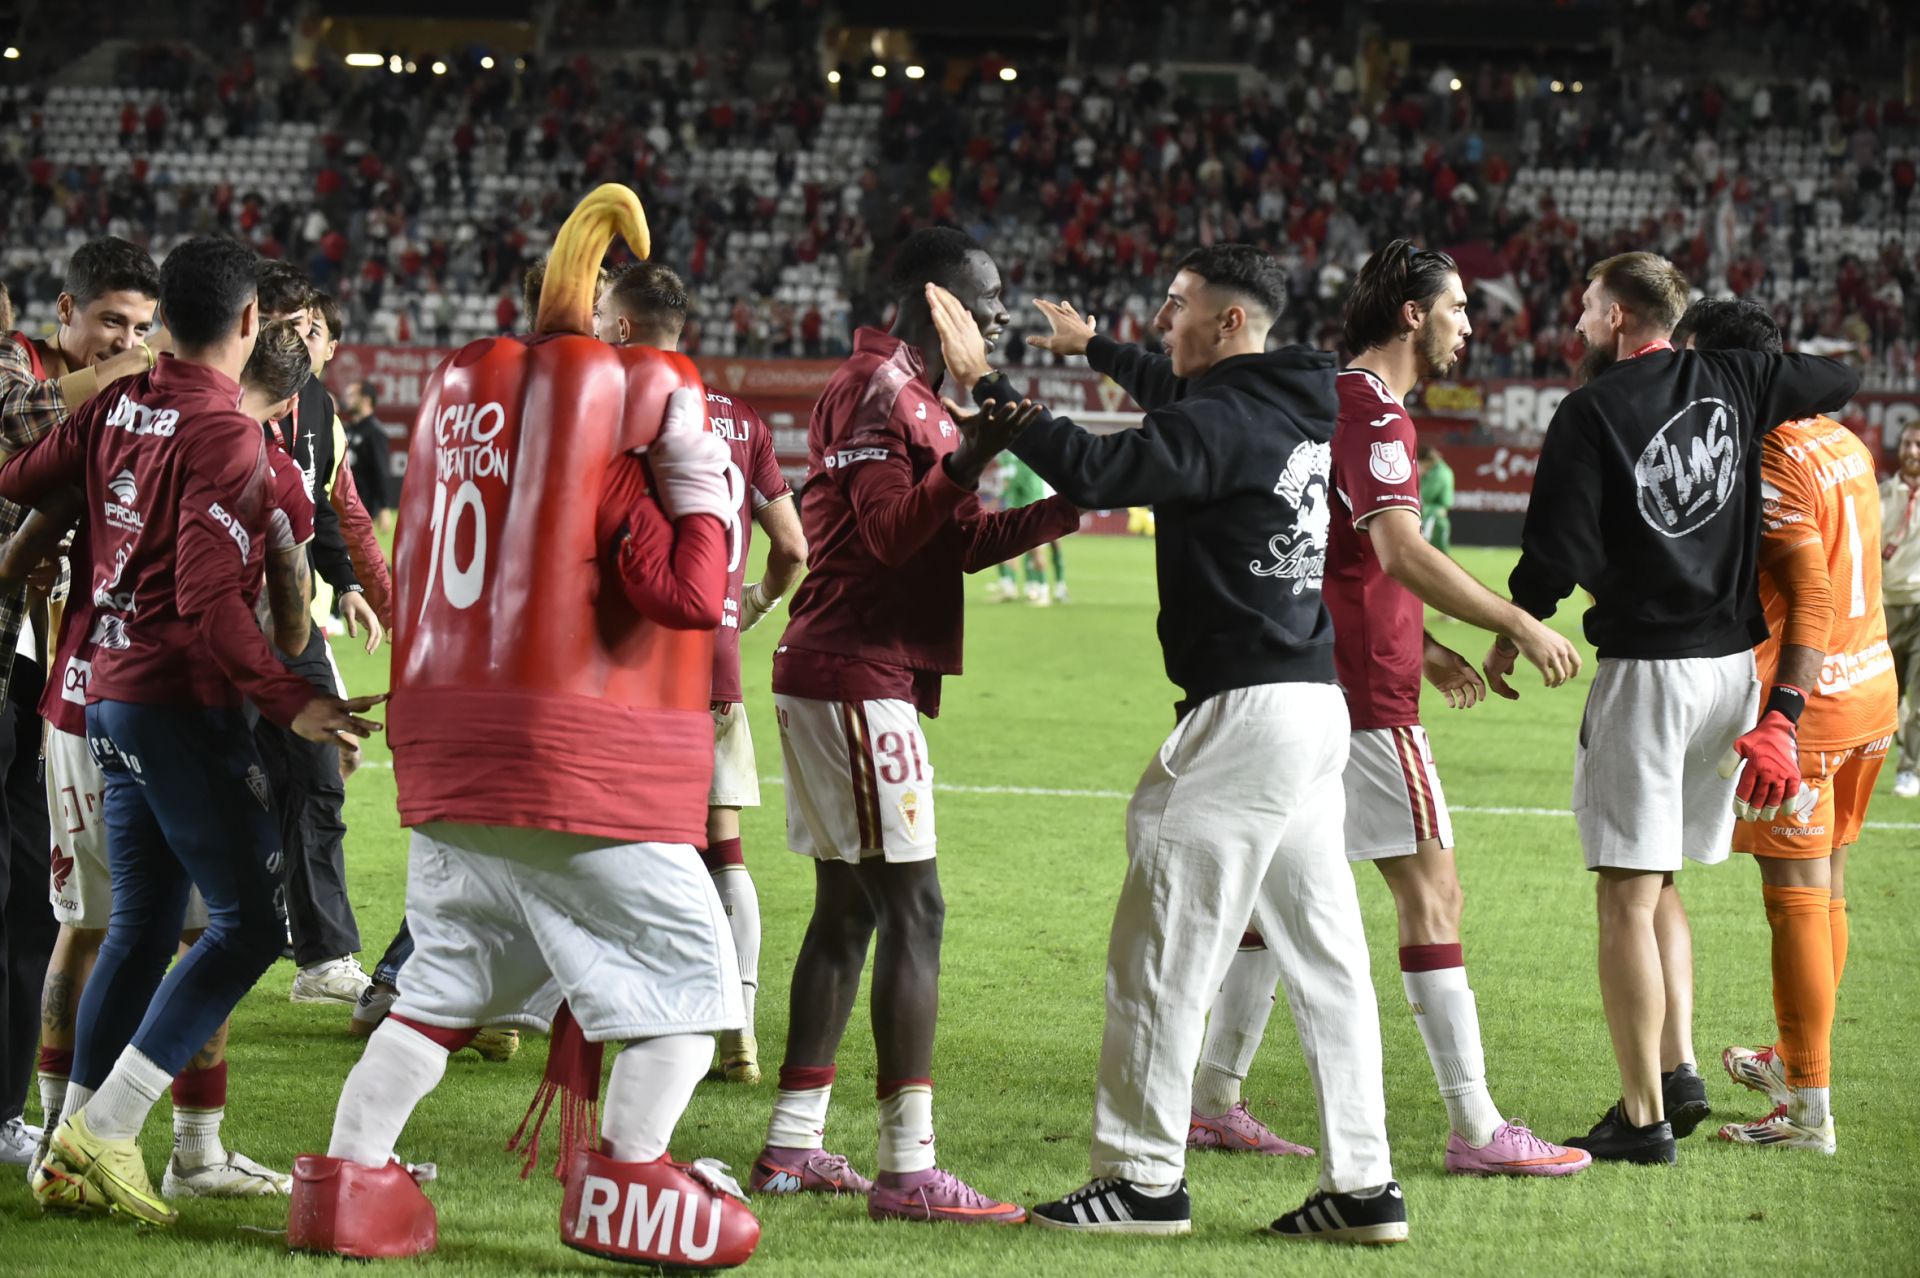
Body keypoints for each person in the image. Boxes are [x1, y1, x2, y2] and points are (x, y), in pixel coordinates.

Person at [291, 187, 757, 1268]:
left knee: (445, 987)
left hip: (451, 768)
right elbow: (691, 594)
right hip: (580, 772)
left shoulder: (469, 418)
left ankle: (350, 1180)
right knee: (695, 979)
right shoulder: (610, 447)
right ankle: (628, 1171)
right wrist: (690, 473)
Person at [934, 245, 1405, 1244]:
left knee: (1159, 951)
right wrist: (1098, 348)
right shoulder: (1294, 393)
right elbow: (1190, 401)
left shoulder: (1227, 417)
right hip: (1312, 707)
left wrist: (991, 383)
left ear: (1231, 323)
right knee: (1328, 963)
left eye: (1178, 304)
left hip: (1246, 716)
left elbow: (1104, 467)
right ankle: (1365, 1187)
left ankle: (1144, 1181)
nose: (1162, 317)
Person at [1188, 240, 1588, 1178]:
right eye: (1456, 308)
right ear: (1413, 312)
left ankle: (1212, 1097)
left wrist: (1431, 643)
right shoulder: (1370, 409)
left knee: (1273, 897)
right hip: (1365, 698)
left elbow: (1348, 561)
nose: (1467, 325)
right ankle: (1477, 1127)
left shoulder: (1332, 397)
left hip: (1320, 671)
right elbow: (1401, 552)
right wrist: (1519, 623)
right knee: (1431, 892)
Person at [6, 235, 382, 1227]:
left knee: (136, 922)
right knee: (252, 924)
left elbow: (21, 480)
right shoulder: (228, 435)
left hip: (105, 695)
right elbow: (219, 610)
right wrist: (293, 698)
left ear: (166, 313)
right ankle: (108, 1129)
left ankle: (66, 1148)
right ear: (252, 322)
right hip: (177, 703)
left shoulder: (113, 404)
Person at [1493, 252, 1860, 1164]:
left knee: (1623, 892)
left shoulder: (1590, 411)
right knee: (1660, 885)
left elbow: (1554, 555)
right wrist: (1767, 387)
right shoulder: (1731, 376)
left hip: (1650, 674)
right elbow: (1841, 377)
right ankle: (1681, 1067)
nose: (1576, 320)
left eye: (1585, 305)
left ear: (1619, 317)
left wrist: (1513, 624)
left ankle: (1643, 1117)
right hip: (1731, 674)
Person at [752, 227, 1073, 1224]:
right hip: (854, 671)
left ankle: (793, 1146)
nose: (1002, 315)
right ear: (936, 301)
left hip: (850, 667)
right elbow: (893, 531)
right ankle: (908, 1167)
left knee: (849, 913)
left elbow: (956, 541)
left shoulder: (913, 398)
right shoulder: (878, 388)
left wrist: (1067, 505)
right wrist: (983, 441)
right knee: (915, 912)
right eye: (989, 298)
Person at [1673, 298, 1896, 1156]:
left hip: (1811, 709)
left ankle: (1807, 1111)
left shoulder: (1766, 452)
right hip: (1873, 693)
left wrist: (1782, 715)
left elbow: (1805, 591)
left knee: (1794, 903)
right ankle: (1795, 1063)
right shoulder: (1844, 441)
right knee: (1829, 888)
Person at [601, 262, 808, 1085]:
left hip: (637, 663)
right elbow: (794, 547)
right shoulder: (741, 420)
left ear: (621, 326)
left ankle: (573, 1014)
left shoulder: (618, 406)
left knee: (608, 847)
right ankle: (741, 1032)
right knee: (725, 850)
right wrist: (750, 604)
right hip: (714, 658)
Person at [0, 238, 166, 1169]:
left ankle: (17, 1118)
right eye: (111, 323)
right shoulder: (18, 363)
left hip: (35, 684)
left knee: (33, 909)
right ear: (64, 313)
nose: (128, 345)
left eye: (144, 329)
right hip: (28, 676)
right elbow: (14, 422)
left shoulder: (114, 419)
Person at [254, 262, 383, 1007]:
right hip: (221, 622)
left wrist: (355, 586)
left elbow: (323, 506)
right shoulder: (223, 402)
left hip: (295, 626)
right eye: (291, 321)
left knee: (323, 773)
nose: (306, 334)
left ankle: (323, 958)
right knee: (226, 784)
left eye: (312, 323)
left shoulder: (318, 405)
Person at [1883, 420, 1920, 798]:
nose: (1912, 452)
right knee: (1886, 697)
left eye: (1919, 445)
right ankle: (1900, 742)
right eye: (1908, 443)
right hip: (1886, 605)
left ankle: (1910, 769)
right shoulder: (1879, 496)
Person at [989, 454, 1066, 604]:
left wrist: (996, 499)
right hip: (1033, 511)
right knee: (1028, 551)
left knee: (1033, 552)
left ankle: (1044, 592)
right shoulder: (1032, 464)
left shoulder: (1024, 465)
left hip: (1031, 512)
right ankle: (1034, 589)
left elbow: (1012, 484)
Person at [342, 380, 394, 538]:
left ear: (366, 399)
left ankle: (385, 564)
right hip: (345, 499)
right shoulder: (348, 429)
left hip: (363, 503)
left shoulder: (375, 432)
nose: (347, 399)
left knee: (358, 551)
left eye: (352, 395)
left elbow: (381, 470)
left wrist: (384, 507)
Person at [1416, 442, 1454, 553]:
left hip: (1432, 515)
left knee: (1432, 551)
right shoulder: (1438, 470)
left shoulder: (1439, 473)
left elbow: (1426, 495)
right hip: (1433, 513)